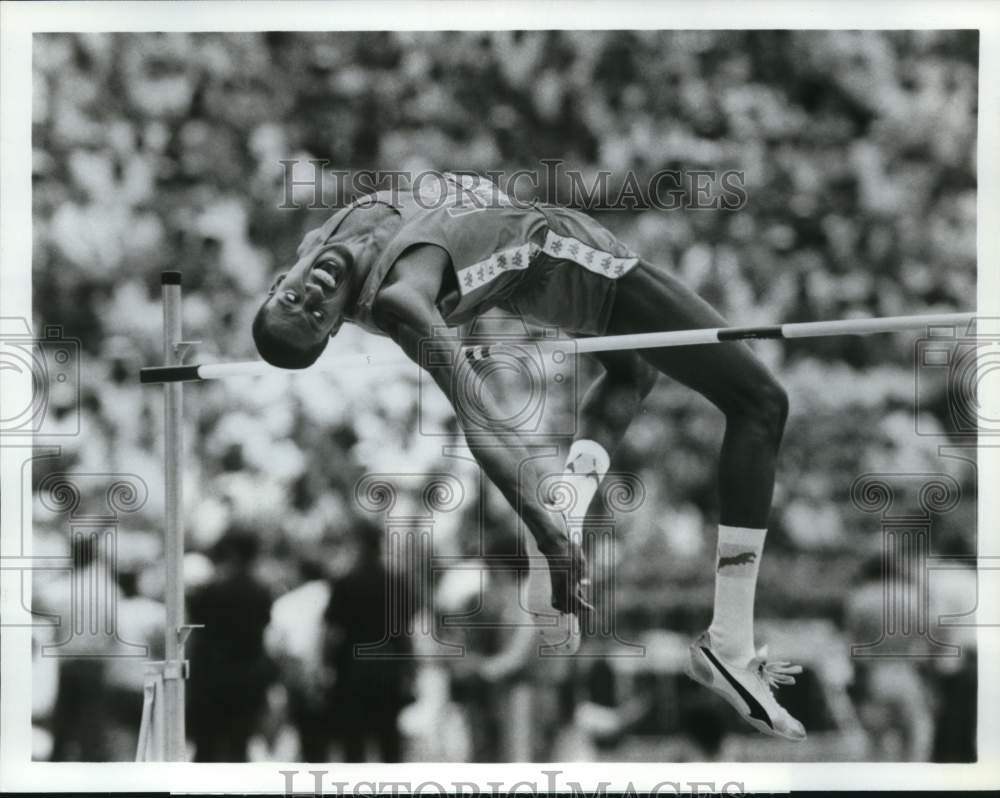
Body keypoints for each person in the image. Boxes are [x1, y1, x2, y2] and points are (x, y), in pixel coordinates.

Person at [252, 173, 804, 740]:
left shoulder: (317, 241)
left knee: (632, 371)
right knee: (762, 403)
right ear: (338, 326)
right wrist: (547, 536)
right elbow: (480, 414)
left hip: (550, 251)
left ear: (279, 280)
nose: (313, 297)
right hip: (581, 263)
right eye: (317, 316)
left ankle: (572, 504)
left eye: (296, 299)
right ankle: (729, 644)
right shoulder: (399, 296)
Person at [187, 527, 276, 761]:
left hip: (213, 678)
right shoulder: (262, 591)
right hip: (247, 678)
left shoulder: (212, 589)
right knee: (239, 747)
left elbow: (198, 631)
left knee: (205, 747)